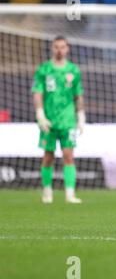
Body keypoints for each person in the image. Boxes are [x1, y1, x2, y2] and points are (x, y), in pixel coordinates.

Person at [32, 35, 86, 204]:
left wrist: (81, 116)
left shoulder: (74, 70)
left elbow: (78, 95)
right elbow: (37, 93)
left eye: (62, 47)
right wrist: (40, 114)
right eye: (56, 47)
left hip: (68, 120)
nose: (60, 50)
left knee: (68, 155)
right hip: (49, 120)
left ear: (67, 48)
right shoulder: (44, 69)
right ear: (52, 48)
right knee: (48, 155)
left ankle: (70, 194)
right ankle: (47, 192)